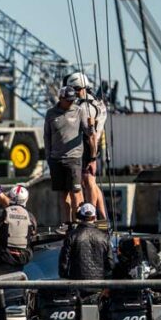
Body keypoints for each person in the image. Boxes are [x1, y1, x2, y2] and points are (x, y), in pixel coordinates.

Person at [45, 86, 97, 229]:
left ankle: (77, 222)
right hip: (56, 159)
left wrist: (92, 126)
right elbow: (47, 136)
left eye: (72, 100)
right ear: (61, 99)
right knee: (63, 193)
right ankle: (66, 222)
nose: (70, 103)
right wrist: (48, 157)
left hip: (74, 159)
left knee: (76, 192)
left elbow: (88, 132)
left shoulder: (79, 111)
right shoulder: (51, 114)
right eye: (68, 100)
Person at [66, 72, 109, 220]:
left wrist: (91, 156)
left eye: (76, 89)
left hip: (88, 147)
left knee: (88, 181)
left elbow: (89, 134)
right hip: (94, 146)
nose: (74, 93)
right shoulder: (98, 102)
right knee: (92, 182)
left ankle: (92, 216)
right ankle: (102, 217)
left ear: (82, 88)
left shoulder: (85, 107)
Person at [59, 203, 113, 280]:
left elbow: (64, 263)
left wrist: (66, 279)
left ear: (80, 217)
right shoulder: (104, 237)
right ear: (94, 217)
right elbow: (110, 264)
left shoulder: (72, 236)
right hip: (98, 286)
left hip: (76, 286)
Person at [0, 184, 37, 268]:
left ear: (9, 197)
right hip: (24, 257)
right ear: (26, 199)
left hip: (4, 256)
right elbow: (32, 236)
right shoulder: (30, 216)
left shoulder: (1, 214)